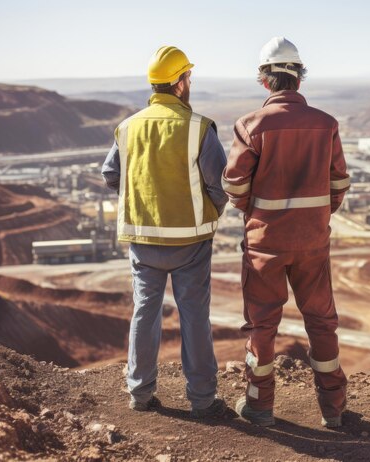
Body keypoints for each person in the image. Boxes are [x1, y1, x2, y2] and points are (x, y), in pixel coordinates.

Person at [222, 37, 350, 427]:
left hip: (266, 245)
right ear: (300, 78)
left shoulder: (250, 125)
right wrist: (314, 216)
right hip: (312, 243)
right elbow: (339, 183)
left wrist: (257, 213)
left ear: (265, 80)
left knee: (262, 326)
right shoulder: (326, 124)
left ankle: (260, 406)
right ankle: (334, 409)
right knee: (322, 322)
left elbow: (234, 185)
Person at [102, 45, 227, 417]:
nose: (190, 82)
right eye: (188, 76)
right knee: (194, 318)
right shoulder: (199, 128)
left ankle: (139, 395)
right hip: (190, 243)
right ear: (178, 83)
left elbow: (111, 174)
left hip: (143, 242)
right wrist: (210, 212)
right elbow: (219, 185)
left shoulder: (127, 127)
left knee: (144, 313)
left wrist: (142, 196)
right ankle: (203, 401)